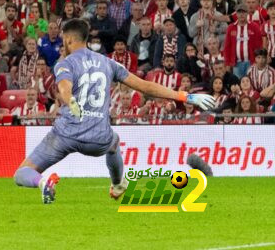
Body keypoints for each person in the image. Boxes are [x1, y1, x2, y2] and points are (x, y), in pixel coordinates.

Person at [13, 19, 215, 204]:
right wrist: (185, 96)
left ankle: (43, 182)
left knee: (22, 172)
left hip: (65, 134)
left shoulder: (64, 63)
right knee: (114, 142)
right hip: (99, 138)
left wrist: (70, 100)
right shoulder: (108, 62)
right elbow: (145, 86)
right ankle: (118, 185)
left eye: (63, 41)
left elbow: (64, 88)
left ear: (68, 39)